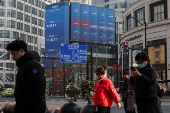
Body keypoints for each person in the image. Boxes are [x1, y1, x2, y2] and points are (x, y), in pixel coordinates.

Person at [6, 40, 46, 113]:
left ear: (21, 51)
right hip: (25, 107)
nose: (12, 57)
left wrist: (35, 108)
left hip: (32, 109)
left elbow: (39, 88)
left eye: (13, 54)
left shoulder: (33, 65)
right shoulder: (24, 65)